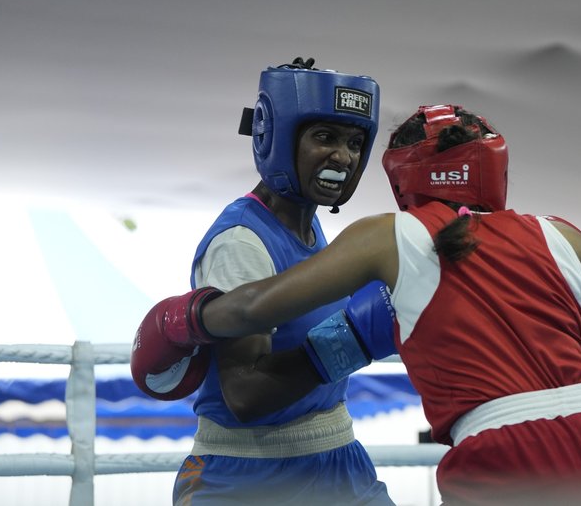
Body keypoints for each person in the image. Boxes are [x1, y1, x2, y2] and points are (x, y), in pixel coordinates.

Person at [138, 104, 581, 505]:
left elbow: (252, 308)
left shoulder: (387, 237)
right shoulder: (557, 233)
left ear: (402, 175)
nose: (343, 157)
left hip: (508, 454)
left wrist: (182, 320)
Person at [131, 57, 395, 505]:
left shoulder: (310, 230)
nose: (343, 157)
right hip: (251, 475)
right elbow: (245, 395)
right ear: (278, 138)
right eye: (324, 137)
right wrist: (356, 339)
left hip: (337, 457)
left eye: (354, 141)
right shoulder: (243, 240)